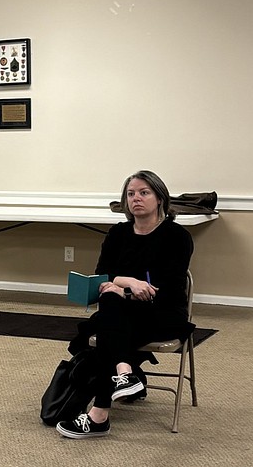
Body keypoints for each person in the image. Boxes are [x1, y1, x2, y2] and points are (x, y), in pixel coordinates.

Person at [56, 170, 194, 438]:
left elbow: (169, 287)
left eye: (144, 193)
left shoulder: (177, 237)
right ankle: (124, 374)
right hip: (122, 312)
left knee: (109, 326)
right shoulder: (118, 234)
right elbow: (102, 276)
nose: (136, 199)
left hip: (163, 313)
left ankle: (101, 413)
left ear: (159, 199)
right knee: (110, 303)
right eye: (131, 194)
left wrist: (121, 289)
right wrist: (130, 282)